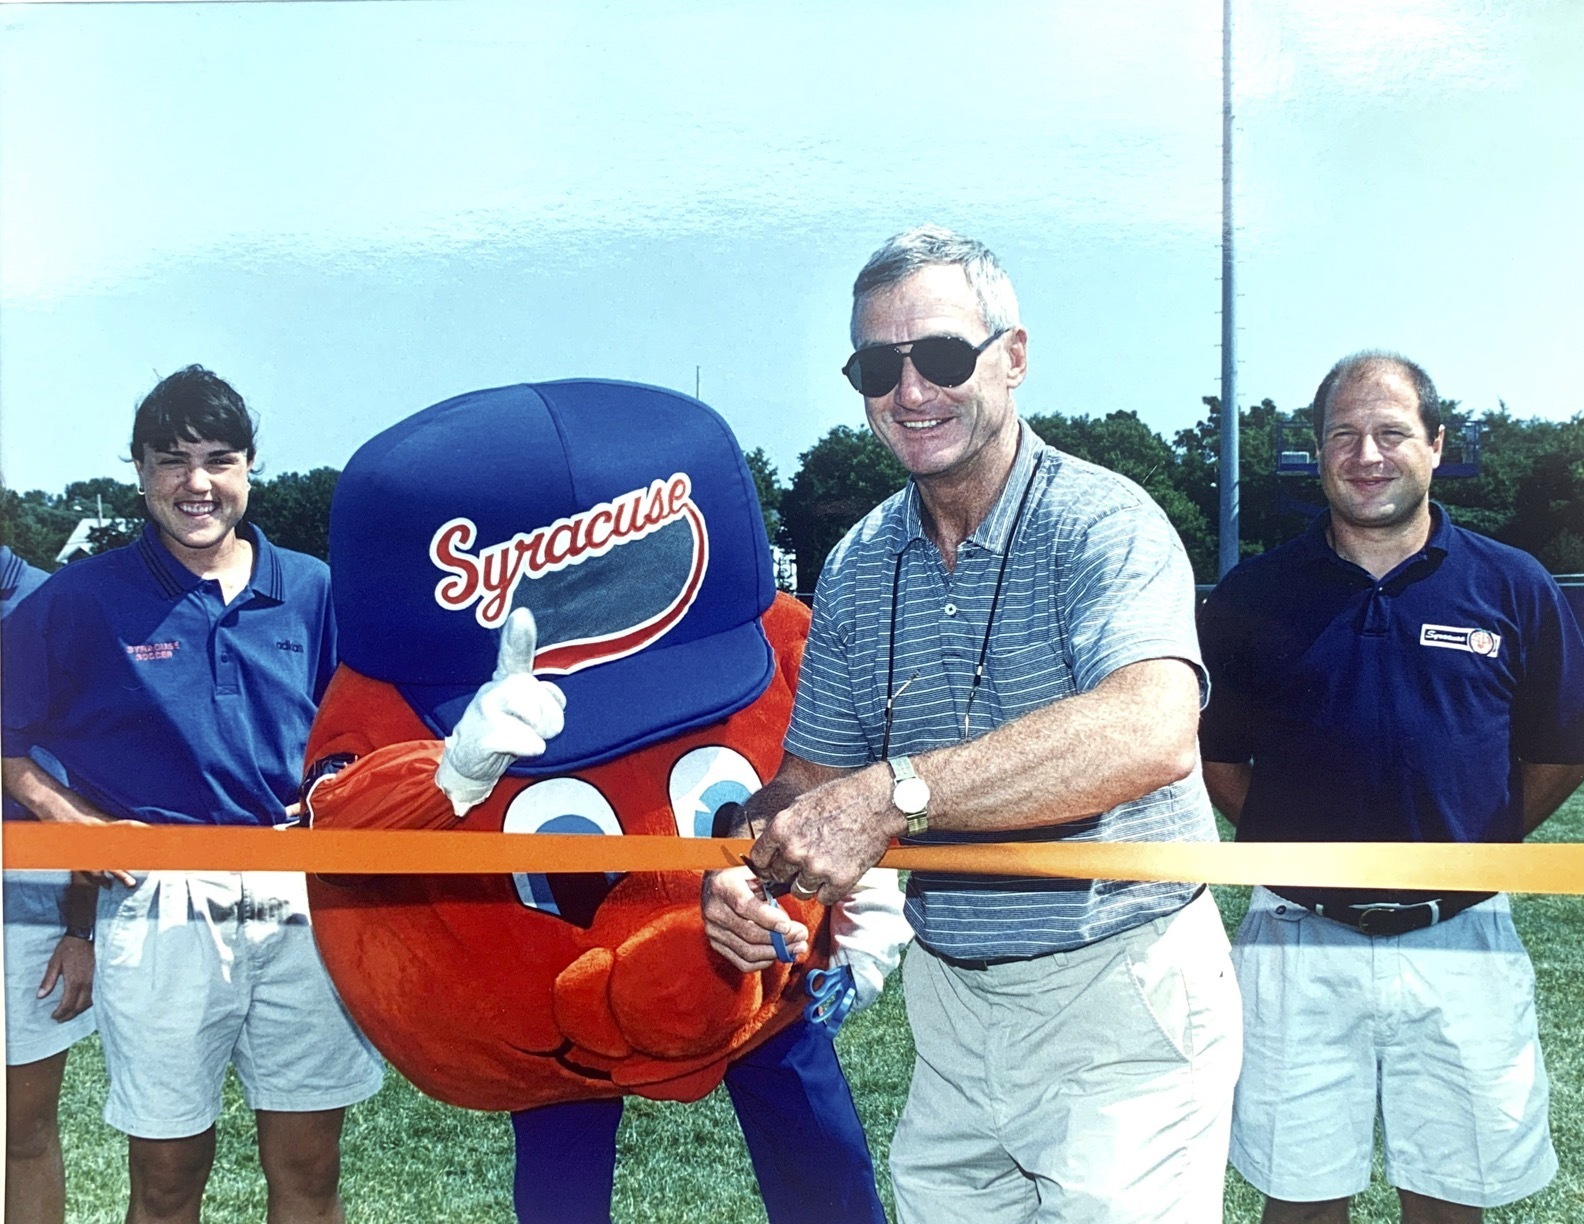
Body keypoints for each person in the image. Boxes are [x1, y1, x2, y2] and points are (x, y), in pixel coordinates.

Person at [702, 225, 1242, 1223]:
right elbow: (811, 784)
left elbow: (1151, 729)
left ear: (1015, 358)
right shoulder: (861, 562)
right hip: (949, 1006)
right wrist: (748, 868)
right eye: (879, 365)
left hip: (1121, 991)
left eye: (944, 355)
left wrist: (897, 794)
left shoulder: (1105, 522)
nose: (911, 389)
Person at [1198, 351, 1584, 1224]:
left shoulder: (1511, 584)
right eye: (1344, 435)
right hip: (1294, 938)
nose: (1366, 455)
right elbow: (1217, 758)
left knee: (1452, 1200)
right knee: (1298, 1201)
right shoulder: (1257, 593)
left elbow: (1562, 750)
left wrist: (1473, 847)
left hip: (1464, 935)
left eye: (1391, 433)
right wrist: (1295, 854)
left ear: (1436, 445)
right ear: (1319, 453)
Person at [2, 367, 383, 1224]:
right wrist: (72, 824)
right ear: (137, 472)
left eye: (218, 458)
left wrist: (333, 794)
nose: (197, 483)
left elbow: (360, 732)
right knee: (169, 1180)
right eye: (171, 461)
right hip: (160, 898)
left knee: (310, 1169)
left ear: (251, 465)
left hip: (300, 891)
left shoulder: (315, 589)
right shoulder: (83, 598)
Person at [3, 544, 97, 1224]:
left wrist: (80, 926)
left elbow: (97, 780)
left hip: (25, 890)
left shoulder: (53, 602)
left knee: (23, 1132)